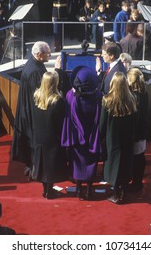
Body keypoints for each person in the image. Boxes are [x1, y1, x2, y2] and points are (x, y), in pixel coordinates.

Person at [61, 65, 102, 200]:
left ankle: (79, 190)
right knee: (91, 163)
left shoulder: (70, 96)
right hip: (93, 138)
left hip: (76, 138)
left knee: (77, 163)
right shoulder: (98, 96)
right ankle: (89, 190)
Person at [11, 41, 50, 179]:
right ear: (39, 55)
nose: (49, 55)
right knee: (33, 141)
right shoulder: (35, 71)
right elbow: (40, 93)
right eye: (47, 53)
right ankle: (34, 169)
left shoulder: (34, 64)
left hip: (27, 109)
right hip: (32, 112)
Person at [99, 71, 137, 204]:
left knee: (113, 164)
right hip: (127, 137)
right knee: (126, 162)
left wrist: (100, 136)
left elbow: (102, 123)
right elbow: (135, 121)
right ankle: (124, 191)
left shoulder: (107, 100)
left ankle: (116, 193)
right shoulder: (132, 100)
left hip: (112, 138)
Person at [32, 71, 68, 199]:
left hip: (39, 136)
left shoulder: (36, 96)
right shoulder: (58, 101)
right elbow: (61, 121)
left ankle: (45, 190)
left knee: (42, 163)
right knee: (51, 165)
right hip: (53, 136)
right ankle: (49, 190)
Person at [127, 68, 148, 192]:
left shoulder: (134, 96)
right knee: (140, 156)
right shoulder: (144, 92)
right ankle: (137, 181)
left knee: (137, 158)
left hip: (136, 132)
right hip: (142, 131)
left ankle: (136, 183)